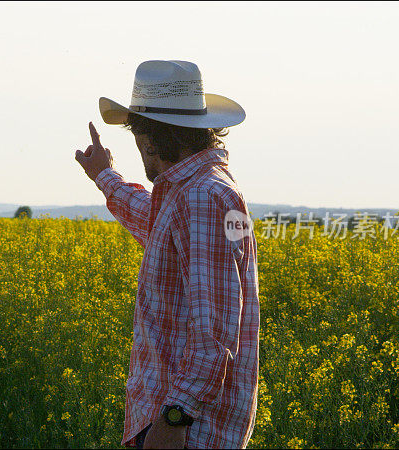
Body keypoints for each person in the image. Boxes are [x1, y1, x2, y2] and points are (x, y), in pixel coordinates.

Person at [74, 60, 260, 449]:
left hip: (185, 429)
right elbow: (154, 224)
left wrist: (175, 416)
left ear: (150, 137)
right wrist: (104, 175)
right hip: (178, 420)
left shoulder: (203, 196)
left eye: (138, 139)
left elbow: (215, 329)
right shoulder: (198, 191)